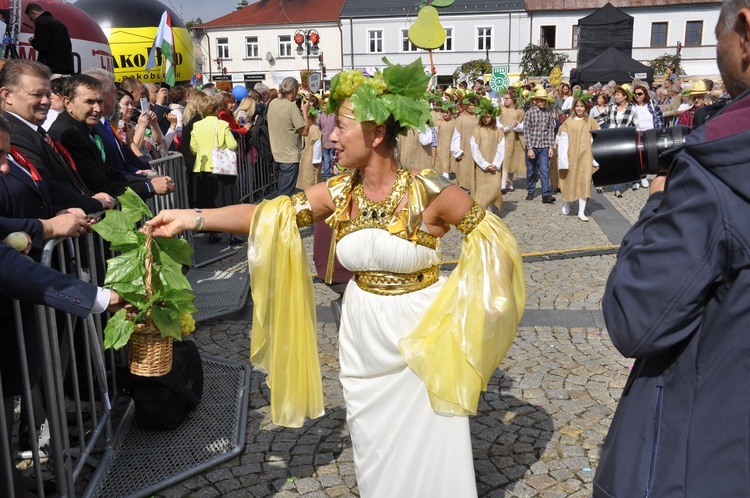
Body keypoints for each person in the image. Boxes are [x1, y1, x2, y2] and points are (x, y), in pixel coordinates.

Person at [145, 60, 525, 498]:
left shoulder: (428, 190)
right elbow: (269, 214)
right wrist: (193, 217)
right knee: (373, 444)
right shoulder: (342, 193)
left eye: (341, 127)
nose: (329, 136)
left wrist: (466, 314)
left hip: (422, 339)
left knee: (431, 445)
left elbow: (496, 243)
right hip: (363, 335)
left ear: (377, 133)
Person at [593, 2, 750, 496]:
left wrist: (658, 205)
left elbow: (634, 319)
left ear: (744, 31)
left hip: (700, 458)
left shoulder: (719, 167)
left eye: (719, 34)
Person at [0, 60, 114, 213]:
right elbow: (47, 186)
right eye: (37, 94)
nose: (46, 101)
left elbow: (67, 181)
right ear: (7, 95)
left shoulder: (35, 131)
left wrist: (91, 197)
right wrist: (94, 203)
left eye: (48, 95)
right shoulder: (11, 134)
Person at [48, 75, 173, 200]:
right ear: (68, 103)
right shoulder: (68, 134)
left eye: (100, 101)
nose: (97, 108)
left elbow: (107, 173)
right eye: (89, 102)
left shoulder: (87, 126)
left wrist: (144, 178)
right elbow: (97, 185)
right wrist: (149, 187)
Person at [189, 95, 240, 245]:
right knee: (229, 202)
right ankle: (234, 234)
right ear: (216, 109)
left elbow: (193, 148)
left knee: (210, 203)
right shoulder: (222, 124)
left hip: (203, 168)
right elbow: (232, 145)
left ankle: (213, 232)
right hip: (221, 167)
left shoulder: (196, 125)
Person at [556, 98, 599, 221]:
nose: (579, 108)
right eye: (577, 106)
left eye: (582, 106)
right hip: (571, 155)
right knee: (569, 180)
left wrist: (595, 160)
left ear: (586, 107)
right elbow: (562, 140)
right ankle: (567, 203)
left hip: (586, 156)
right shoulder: (568, 122)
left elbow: (596, 140)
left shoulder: (590, 122)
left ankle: (581, 211)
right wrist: (563, 158)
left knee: (584, 182)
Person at [266, 77, 311, 196]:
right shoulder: (291, 107)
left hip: (277, 153)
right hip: (289, 156)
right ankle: (281, 214)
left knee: (282, 192)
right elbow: (305, 131)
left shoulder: (273, 103)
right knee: (285, 196)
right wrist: (305, 111)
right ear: (295, 90)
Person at [594, 83, 638, 197]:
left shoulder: (632, 108)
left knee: (620, 164)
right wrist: (604, 127)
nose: (616, 96)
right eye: (616, 94)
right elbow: (598, 118)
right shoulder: (611, 106)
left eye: (618, 94)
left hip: (623, 140)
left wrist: (632, 136)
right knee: (606, 162)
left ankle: (617, 188)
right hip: (610, 137)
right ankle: (602, 183)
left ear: (625, 96)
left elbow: (637, 125)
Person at [522, 88, 557, 203]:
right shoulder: (530, 113)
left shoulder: (548, 113)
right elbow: (526, 131)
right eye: (540, 100)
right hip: (533, 146)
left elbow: (551, 130)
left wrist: (551, 147)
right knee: (531, 170)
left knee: (544, 170)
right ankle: (531, 190)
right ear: (535, 100)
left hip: (545, 146)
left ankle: (545, 194)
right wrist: (529, 148)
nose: (542, 102)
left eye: (544, 100)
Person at [469, 98, 504, 210]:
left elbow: (501, 147)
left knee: (494, 187)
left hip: (494, 165)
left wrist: (496, 163)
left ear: (492, 117)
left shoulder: (498, 131)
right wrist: (484, 164)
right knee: (482, 189)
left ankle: (491, 205)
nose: (485, 120)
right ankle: (483, 209)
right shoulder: (477, 130)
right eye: (483, 117)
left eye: (488, 117)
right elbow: (474, 148)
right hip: (481, 166)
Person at [24, 3, 73, 75]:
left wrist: (33, 41)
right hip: (66, 66)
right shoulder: (59, 23)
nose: (33, 21)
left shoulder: (40, 22)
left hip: (50, 66)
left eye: (31, 18)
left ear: (33, 12)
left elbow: (42, 46)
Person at [498, 90, 525, 193]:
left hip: (514, 138)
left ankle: (510, 182)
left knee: (512, 158)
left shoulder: (520, 112)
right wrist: (500, 126)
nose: (505, 100)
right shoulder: (501, 110)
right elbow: (497, 120)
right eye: (504, 98)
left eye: (507, 98)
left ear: (513, 100)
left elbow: (523, 125)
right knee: (505, 158)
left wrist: (517, 125)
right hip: (503, 137)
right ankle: (503, 183)